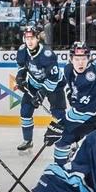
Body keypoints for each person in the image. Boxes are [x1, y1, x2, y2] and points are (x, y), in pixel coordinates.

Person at [48, 42, 96, 165]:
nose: (80, 62)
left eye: (83, 59)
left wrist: (60, 124)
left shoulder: (90, 77)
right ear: (71, 59)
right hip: (90, 116)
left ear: (89, 59)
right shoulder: (68, 68)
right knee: (62, 139)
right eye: (77, 59)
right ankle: (59, 172)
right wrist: (41, 93)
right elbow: (66, 85)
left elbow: (86, 110)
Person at [15, 25, 66, 153]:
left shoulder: (47, 54)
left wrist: (42, 93)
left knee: (58, 114)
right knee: (25, 112)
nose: (29, 41)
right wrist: (20, 77)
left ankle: (69, 140)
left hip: (55, 85)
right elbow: (22, 66)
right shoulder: (22, 50)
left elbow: (53, 78)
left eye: (32, 38)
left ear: (38, 38)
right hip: (34, 84)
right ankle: (28, 141)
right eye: (27, 38)